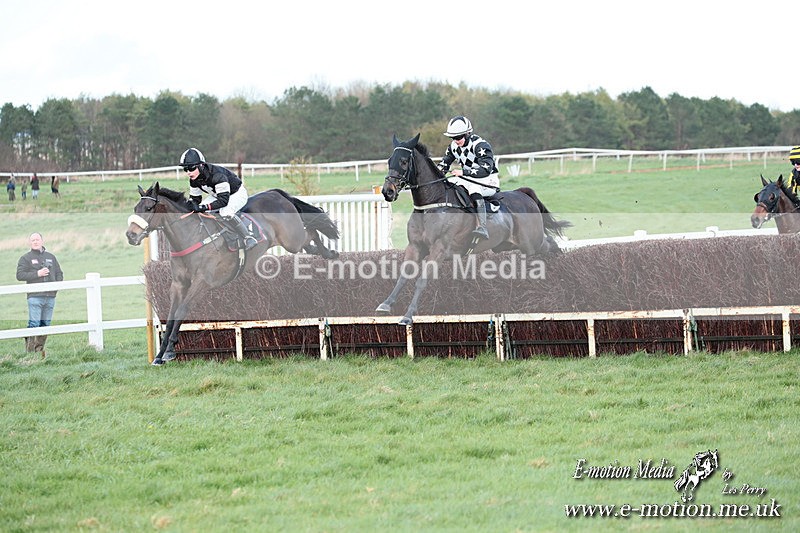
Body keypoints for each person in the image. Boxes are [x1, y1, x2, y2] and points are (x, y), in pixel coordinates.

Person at [180, 147, 257, 250]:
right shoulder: (193, 180)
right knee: (201, 210)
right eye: (186, 169)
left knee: (225, 212)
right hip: (218, 194)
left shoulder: (217, 175)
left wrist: (203, 207)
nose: (188, 172)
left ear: (201, 165)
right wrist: (189, 206)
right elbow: (195, 199)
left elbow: (223, 201)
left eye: (191, 168)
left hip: (236, 193)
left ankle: (248, 238)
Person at [436, 116, 500, 239]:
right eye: (453, 137)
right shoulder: (453, 147)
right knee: (448, 183)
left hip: (488, 180)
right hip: (468, 177)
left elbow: (485, 170)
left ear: (467, 134)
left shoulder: (480, 145)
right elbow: (443, 165)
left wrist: (463, 172)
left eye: (459, 137)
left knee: (473, 188)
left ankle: (482, 227)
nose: (456, 140)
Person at [16, 232, 64, 357]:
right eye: (33, 240)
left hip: (50, 297)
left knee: (45, 324)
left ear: (42, 241)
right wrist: (37, 274)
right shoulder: (25, 258)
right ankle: (30, 352)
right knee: (34, 324)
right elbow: (19, 275)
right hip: (35, 296)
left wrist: (56, 287)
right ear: (30, 243)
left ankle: (39, 351)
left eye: (37, 239)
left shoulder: (51, 257)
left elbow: (59, 273)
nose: (35, 242)